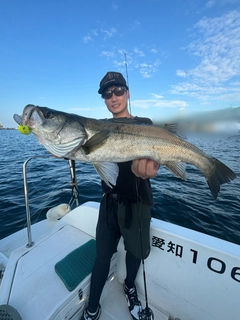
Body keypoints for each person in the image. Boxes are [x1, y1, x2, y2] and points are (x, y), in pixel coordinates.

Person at [81, 72, 159, 320]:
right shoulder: (99, 127)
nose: (112, 97)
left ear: (127, 92)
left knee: (134, 253)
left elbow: (154, 158)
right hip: (109, 203)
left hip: (138, 202)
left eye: (117, 91)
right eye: (106, 93)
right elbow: (82, 147)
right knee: (102, 256)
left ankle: (129, 287)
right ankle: (93, 306)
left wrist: (151, 168)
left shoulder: (144, 123)